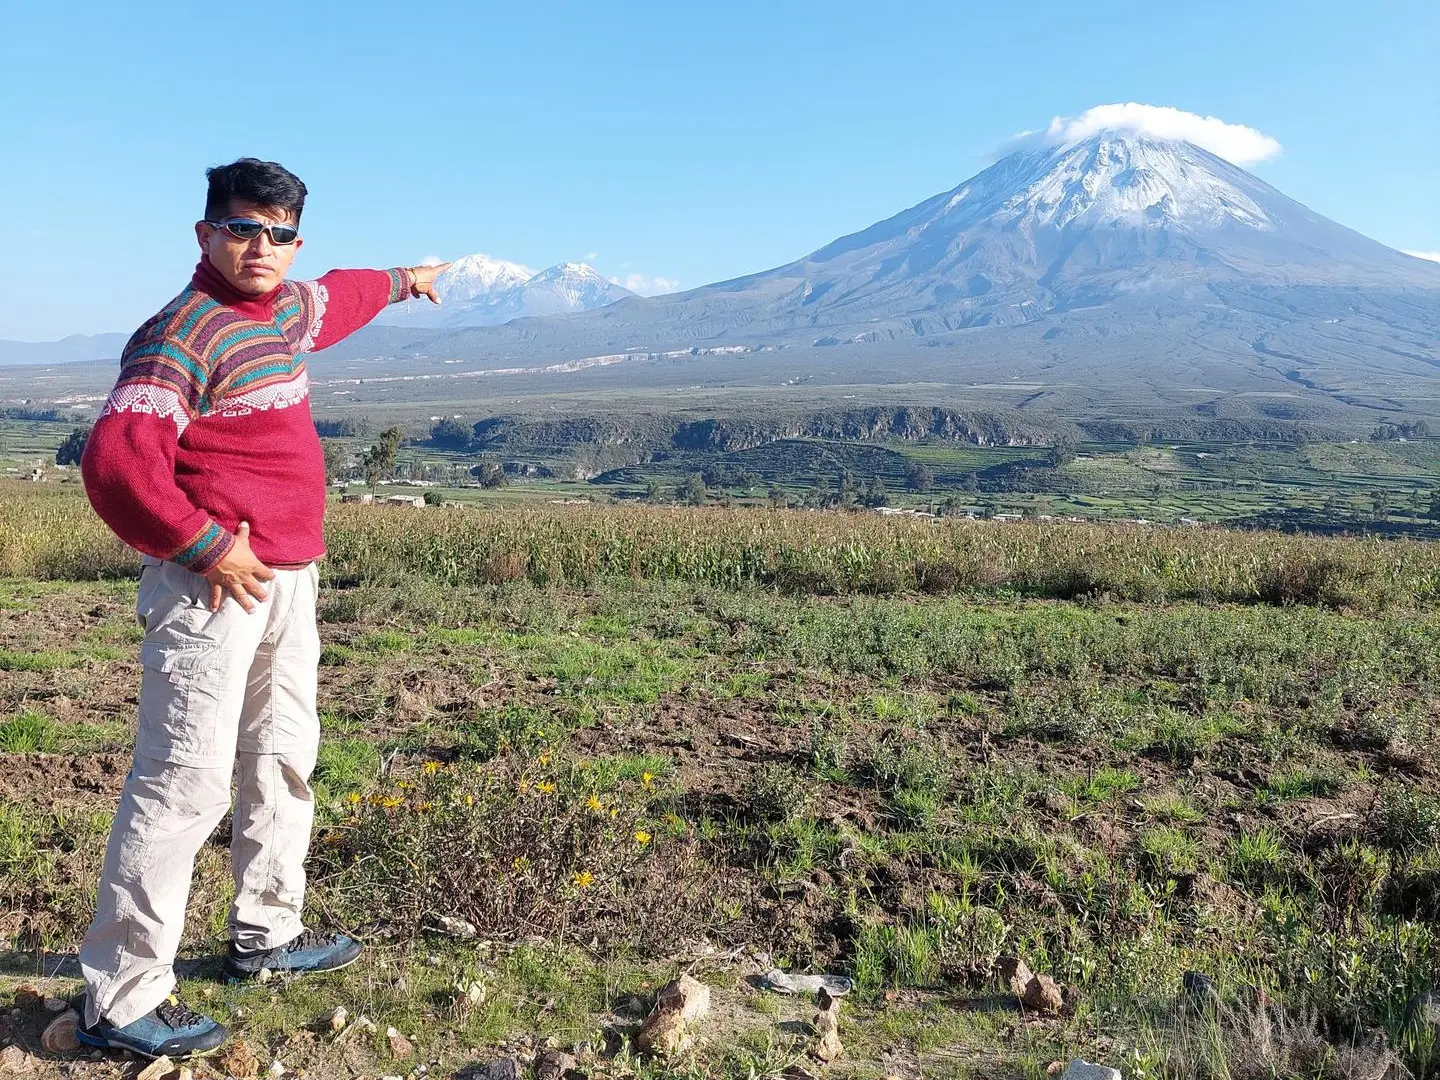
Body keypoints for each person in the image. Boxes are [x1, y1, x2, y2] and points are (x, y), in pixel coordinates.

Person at [77, 158, 451, 1059]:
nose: (262, 247)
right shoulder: (179, 335)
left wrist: (406, 281)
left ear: (295, 241)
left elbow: (340, 296)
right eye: (244, 228)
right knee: (184, 778)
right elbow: (117, 462)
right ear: (206, 234)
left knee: (283, 754)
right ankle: (120, 996)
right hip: (211, 584)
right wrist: (204, 543)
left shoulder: (280, 311)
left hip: (287, 578)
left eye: (279, 234)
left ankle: (266, 933)